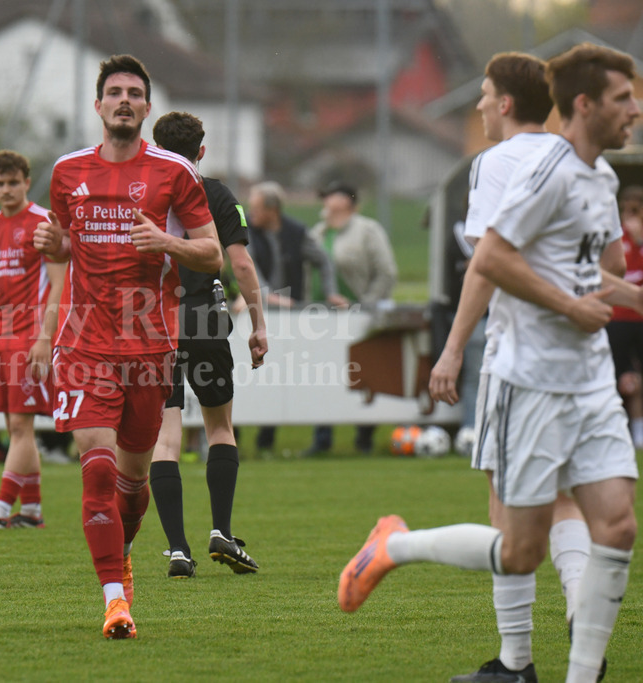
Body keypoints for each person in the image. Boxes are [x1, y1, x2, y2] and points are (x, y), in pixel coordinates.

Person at [340, 44, 641, 683]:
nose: (636, 112)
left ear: (504, 103)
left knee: (616, 523)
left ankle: (558, 670)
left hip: (583, 376)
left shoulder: (593, 175)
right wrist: (460, 347)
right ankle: (396, 548)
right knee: (521, 541)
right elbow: (494, 260)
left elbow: (602, 268)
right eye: (624, 100)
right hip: (527, 374)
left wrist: (619, 295)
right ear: (582, 105)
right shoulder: (542, 170)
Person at [33, 54, 222, 639]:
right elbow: (65, 246)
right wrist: (53, 241)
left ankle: (123, 554)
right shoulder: (66, 172)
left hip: (150, 346)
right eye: (113, 92)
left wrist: (164, 240)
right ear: (98, 106)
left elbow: (212, 254)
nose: (123, 100)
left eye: (133, 93)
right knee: (96, 468)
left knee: (133, 484)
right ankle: (115, 599)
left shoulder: (174, 173)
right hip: (86, 344)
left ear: (146, 107)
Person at [427, 52, 603, 683]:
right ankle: (584, 611)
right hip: (581, 360)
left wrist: (451, 350)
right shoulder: (578, 161)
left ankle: (515, 663)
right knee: (562, 500)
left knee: (508, 509)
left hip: (519, 355)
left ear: (504, 103)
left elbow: (487, 265)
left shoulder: (495, 163)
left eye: (482, 93)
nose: (477, 104)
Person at [148, 111, 268, 578]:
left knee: (166, 436)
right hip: (204, 316)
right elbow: (241, 265)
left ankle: (178, 548)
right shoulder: (216, 194)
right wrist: (258, 324)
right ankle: (220, 530)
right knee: (220, 428)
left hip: (154, 320)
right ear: (201, 150)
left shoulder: (145, 195)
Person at [0, 150, 65, 529]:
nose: (6, 189)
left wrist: (44, 338)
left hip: (29, 340)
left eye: (13, 182)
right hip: (1, 341)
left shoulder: (41, 223)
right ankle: (32, 510)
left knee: (20, 428)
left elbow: (58, 285)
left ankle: (1, 509)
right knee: (15, 428)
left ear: (25, 181)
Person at [246, 180, 344, 456]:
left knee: (314, 376)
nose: (251, 214)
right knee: (263, 377)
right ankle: (263, 440)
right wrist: (268, 296)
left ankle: (322, 441)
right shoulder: (247, 233)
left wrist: (331, 292)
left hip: (295, 320)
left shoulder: (297, 233)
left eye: (255, 208)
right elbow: (247, 267)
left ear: (272, 209)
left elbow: (323, 260)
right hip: (263, 314)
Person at [308, 182, 397, 454]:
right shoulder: (317, 234)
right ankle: (322, 440)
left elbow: (386, 272)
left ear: (348, 201)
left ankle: (364, 436)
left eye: (335, 195)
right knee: (323, 378)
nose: (328, 201)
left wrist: (366, 306)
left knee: (363, 375)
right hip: (322, 319)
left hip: (358, 317)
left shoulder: (367, 230)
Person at [607, 185, 643, 448]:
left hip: (640, 317)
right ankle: (619, 430)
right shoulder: (616, 234)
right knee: (617, 376)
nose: (628, 214)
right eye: (625, 209)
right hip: (618, 317)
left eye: (635, 209)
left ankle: (640, 431)